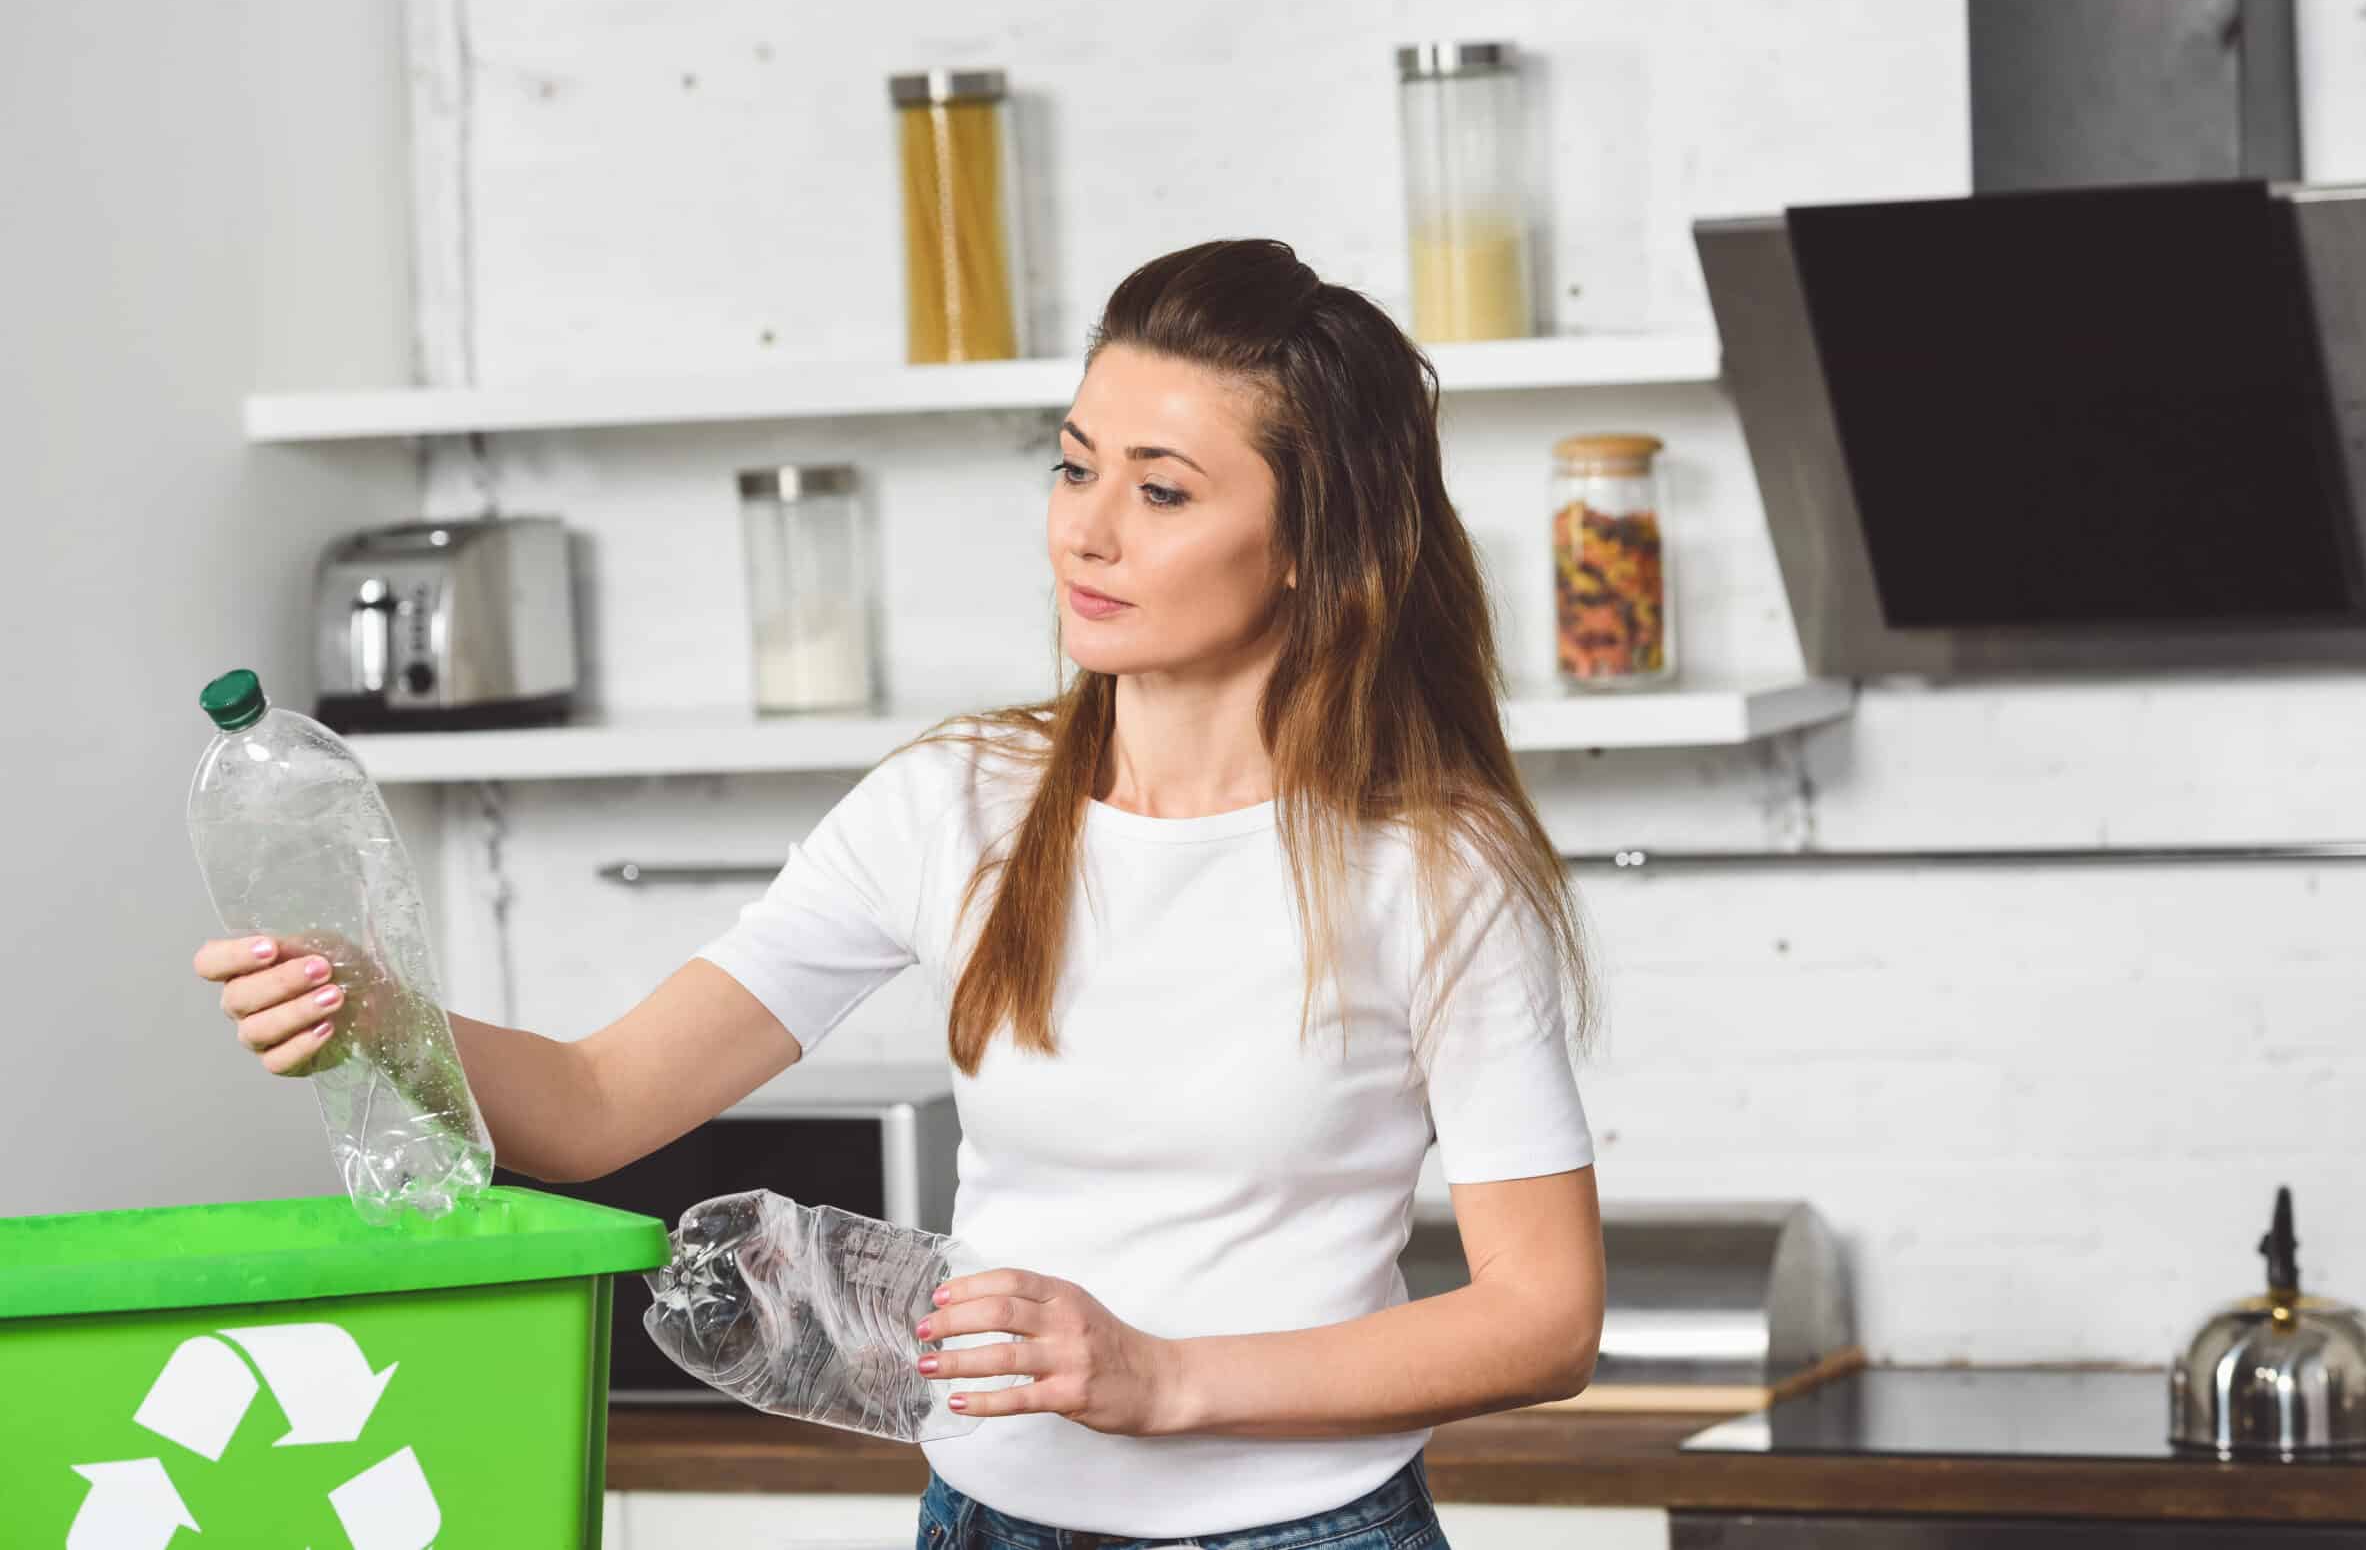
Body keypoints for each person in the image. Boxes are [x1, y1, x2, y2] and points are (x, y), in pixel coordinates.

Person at [193, 238, 1606, 1550]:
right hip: (977, 1519)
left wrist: (1163, 1375)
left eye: (1162, 489)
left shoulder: (1434, 866)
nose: (1087, 531)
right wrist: (379, 1011)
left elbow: (1544, 1316)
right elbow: (591, 1103)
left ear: (1313, 542)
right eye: (1073, 467)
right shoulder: (955, 802)